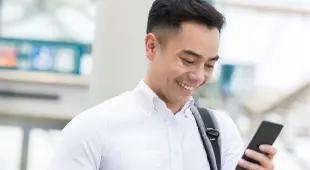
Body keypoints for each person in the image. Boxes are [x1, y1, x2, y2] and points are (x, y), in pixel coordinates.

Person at [49, 0, 277, 170]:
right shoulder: (93, 129)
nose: (198, 76)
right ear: (151, 46)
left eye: (209, 65)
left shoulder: (220, 132)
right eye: (188, 61)